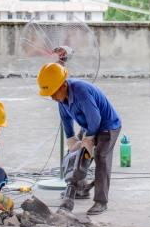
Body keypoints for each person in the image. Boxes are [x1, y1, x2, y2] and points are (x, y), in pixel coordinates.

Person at [37, 63, 122, 215]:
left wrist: (88, 139)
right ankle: (80, 189)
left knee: (101, 158)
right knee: (75, 156)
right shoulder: (61, 99)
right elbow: (66, 119)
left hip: (107, 126)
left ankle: (101, 201)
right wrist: (71, 140)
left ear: (63, 86)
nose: (52, 97)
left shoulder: (81, 92)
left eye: (54, 93)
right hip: (89, 125)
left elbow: (95, 118)